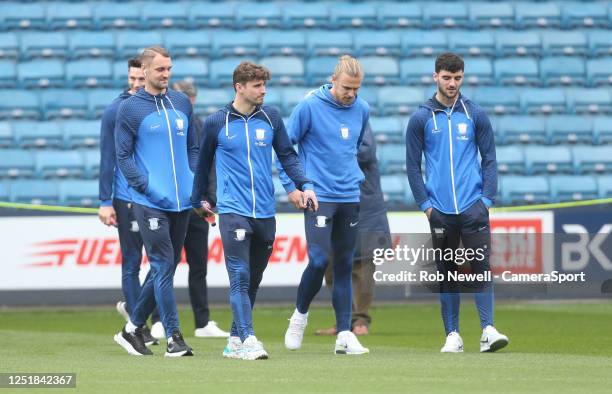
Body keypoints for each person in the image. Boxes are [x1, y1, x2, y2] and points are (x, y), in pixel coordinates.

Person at [191, 61, 316, 360]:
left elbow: (287, 155)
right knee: (240, 276)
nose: (264, 91)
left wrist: (305, 184)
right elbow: (202, 163)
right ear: (240, 87)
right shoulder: (215, 122)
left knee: (254, 279)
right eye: (258, 85)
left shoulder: (271, 117)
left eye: (264, 85)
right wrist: (199, 200)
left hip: (265, 212)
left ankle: (234, 339)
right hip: (233, 211)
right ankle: (248, 339)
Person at [405, 52, 509, 353]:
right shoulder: (421, 118)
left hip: (473, 207)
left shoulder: (475, 114)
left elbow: (490, 159)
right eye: (447, 77)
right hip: (440, 211)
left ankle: (488, 330)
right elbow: (413, 166)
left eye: (458, 78)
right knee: (447, 270)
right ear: (435, 76)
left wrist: (486, 199)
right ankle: (452, 334)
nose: (452, 83)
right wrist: (426, 205)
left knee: (480, 266)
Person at [281, 55, 370, 355]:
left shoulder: (362, 109)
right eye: (346, 87)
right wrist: (292, 186)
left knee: (344, 265)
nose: (351, 94)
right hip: (318, 196)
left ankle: (344, 334)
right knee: (319, 260)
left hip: (349, 197)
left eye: (356, 89)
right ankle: (299, 316)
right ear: (333, 79)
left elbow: (352, 148)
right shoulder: (309, 107)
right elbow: (284, 148)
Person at [113, 46, 198, 357]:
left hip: (181, 202)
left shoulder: (180, 103)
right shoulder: (130, 109)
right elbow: (122, 157)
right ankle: (174, 338)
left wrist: (192, 181)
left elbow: (193, 147)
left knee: (167, 266)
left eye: (169, 69)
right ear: (144, 71)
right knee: (162, 265)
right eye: (160, 69)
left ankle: (131, 328)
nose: (166, 74)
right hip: (149, 202)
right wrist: (147, 187)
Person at [97, 56, 157, 346]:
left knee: (161, 263)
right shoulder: (115, 111)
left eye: (140, 79)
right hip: (126, 198)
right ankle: (139, 325)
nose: (135, 85)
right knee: (133, 261)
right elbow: (107, 157)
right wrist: (104, 201)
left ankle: (139, 316)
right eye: (132, 79)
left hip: (158, 197)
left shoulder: (161, 106)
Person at [314, 122, 391, 337]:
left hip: (364, 205)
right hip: (331, 201)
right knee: (330, 265)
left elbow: (366, 153)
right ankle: (343, 320)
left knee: (362, 265)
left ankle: (360, 319)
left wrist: (328, 149)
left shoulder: (359, 121)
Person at [168, 79, 229, 339]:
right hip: (171, 205)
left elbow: (210, 165)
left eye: (190, 98)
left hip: (198, 207)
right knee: (165, 265)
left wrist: (210, 198)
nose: (187, 102)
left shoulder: (202, 126)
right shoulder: (166, 126)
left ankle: (202, 322)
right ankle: (159, 319)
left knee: (198, 266)